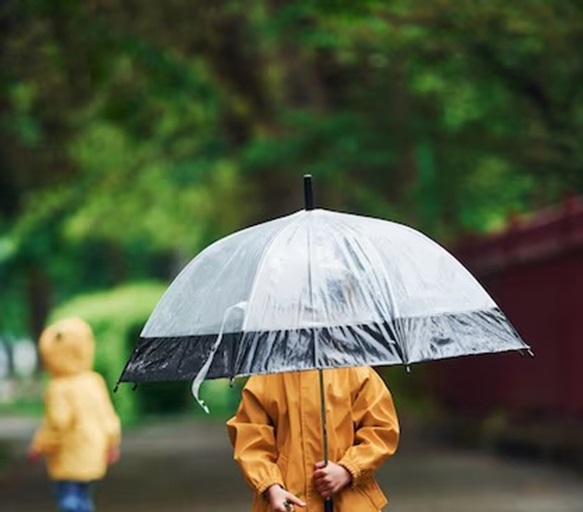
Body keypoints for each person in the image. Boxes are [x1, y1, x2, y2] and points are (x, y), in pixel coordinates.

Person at [227, 366, 399, 512]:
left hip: (348, 502)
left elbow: (380, 429)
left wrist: (348, 469)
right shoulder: (266, 377)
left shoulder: (356, 372)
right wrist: (271, 486)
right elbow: (251, 441)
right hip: (287, 501)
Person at [28, 317, 121, 512]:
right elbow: (108, 418)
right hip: (93, 455)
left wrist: (40, 445)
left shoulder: (58, 388)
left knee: (69, 499)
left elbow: (58, 423)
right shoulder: (94, 381)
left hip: (67, 458)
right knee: (83, 495)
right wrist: (112, 443)